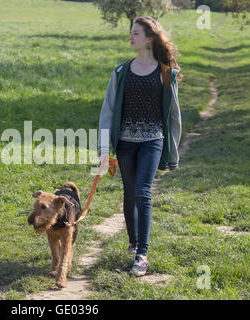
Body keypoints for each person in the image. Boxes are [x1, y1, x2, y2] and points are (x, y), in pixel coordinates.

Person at [98, 16, 182, 276]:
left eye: (135, 33)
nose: (130, 37)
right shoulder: (121, 72)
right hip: (125, 143)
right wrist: (103, 150)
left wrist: (173, 152)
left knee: (143, 193)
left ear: (149, 39)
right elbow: (107, 112)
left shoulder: (166, 72)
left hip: (152, 140)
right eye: (130, 33)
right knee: (129, 192)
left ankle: (142, 255)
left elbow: (174, 115)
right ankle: (133, 243)